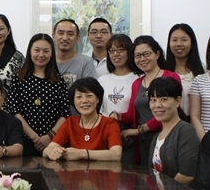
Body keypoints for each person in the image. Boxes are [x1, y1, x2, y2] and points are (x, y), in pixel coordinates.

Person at [109, 35, 181, 166]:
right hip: (143, 142)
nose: (142, 59)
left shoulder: (170, 77)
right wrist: (117, 116)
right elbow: (132, 115)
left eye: (146, 54)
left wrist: (140, 130)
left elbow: (168, 111)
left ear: (157, 54)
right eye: (137, 56)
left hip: (166, 138)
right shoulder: (137, 83)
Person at [6, 34, 70, 156]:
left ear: (52, 54)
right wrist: (34, 137)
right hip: (23, 140)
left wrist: (49, 136)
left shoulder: (58, 80)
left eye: (46, 51)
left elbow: (65, 113)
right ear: (30, 52)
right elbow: (13, 110)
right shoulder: (18, 78)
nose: (41, 55)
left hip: (53, 142)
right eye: (37, 50)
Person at [148, 77, 206, 190]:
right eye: (153, 100)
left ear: (178, 101)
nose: (157, 105)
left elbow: (186, 176)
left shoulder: (185, 131)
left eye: (163, 99)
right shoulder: (156, 138)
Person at [43, 77, 122, 161]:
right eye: (79, 97)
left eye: (89, 96)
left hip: (102, 170)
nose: (84, 101)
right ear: (73, 101)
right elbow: (46, 150)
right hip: (74, 170)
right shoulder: (70, 122)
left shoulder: (110, 123)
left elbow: (116, 155)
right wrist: (51, 152)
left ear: (98, 99)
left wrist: (82, 154)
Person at [98, 34, 138, 163]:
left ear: (129, 52)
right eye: (111, 51)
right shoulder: (102, 80)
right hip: (105, 132)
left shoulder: (138, 79)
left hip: (129, 134)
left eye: (121, 50)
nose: (116, 54)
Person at [166, 23, 205, 118]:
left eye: (184, 40)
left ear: (192, 43)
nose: (179, 44)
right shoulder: (162, 71)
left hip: (197, 122)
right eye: (174, 40)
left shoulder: (204, 71)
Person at [52, 19, 97, 88]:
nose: (65, 38)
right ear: (53, 36)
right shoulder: (47, 61)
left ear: (77, 38)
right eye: (61, 33)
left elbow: (90, 90)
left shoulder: (86, 62)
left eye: (70, 34)